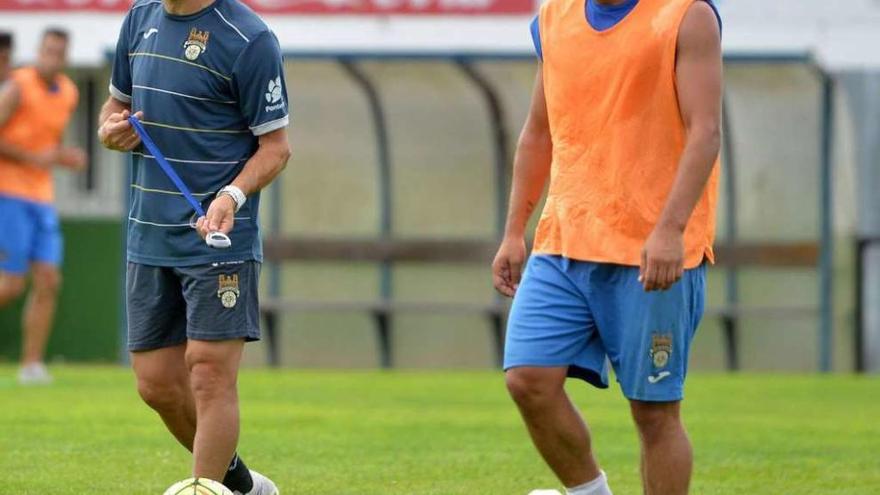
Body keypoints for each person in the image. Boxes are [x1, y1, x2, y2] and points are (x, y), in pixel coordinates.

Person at [492, 0, 722, 494]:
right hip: (564, 241)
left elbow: (705, 132)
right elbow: (539, 133)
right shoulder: (555, 16)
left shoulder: (687, 15)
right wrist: (515, 231)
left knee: (654, 411)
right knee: (527, 379)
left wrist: (669, 229)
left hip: (653, 252)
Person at [98, 0, 290, 493]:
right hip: (149, 234)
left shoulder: (249, 37)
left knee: (208, 373)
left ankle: (204, 488)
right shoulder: (139, 20)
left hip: (219, 236)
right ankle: (242, 486)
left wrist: (232, 195)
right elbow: (115, 106)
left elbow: (276, 148)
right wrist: (110, 130)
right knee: (156, 383)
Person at [0, 28, 86, 385]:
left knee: (49, 279)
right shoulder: (17, 85)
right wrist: (33, 157)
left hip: (42, 196)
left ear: (65, 57)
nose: (52, 57)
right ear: (38, 50)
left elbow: (50, 144)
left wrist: (66, 157)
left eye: (59, 53)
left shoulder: (69, 92)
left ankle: (31, 365)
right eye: (47, 50)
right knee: (11, 285)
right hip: (9, 193)